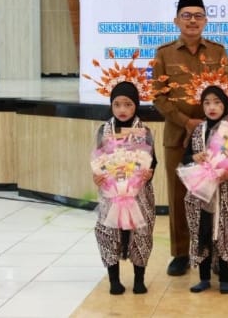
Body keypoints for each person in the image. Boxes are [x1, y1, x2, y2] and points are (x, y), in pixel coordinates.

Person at [152, 0, 228, 276]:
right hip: (178, 136)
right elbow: (158, 97)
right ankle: (181, 253)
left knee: (213, 195)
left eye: (198, 16)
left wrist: (210, 122)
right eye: (186, 16)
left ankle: (213, 251)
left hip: (213, 138)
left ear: (205, 21)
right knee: (179, 196)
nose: (192, 21)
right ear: (176, 20)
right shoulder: (164, 54)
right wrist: (187, 122)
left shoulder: (218, 52)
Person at [92, 81, 156, 295]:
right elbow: (98, 159)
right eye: (117, 104)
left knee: (141, 233)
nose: (122, 110)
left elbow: (153, 161)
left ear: (136, 105)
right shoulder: (103, 130)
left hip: (138, 193)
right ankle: (114, 280)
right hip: (111, 193)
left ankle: (139, 279)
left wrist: (149, 173)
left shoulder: (144, 131)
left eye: (128, 104)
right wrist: (97, 176)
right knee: (108, 232)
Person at [183, 85, 228, 295]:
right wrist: (194, 157)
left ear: (225, 105)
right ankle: (204, 278)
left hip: (226, 191)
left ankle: (225, 278)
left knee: (226, 231)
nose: (212, 107)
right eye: (207, 103)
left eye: (217, 102)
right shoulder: (198, 131)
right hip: (202, 194)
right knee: (203, 232)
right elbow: (185, 158)